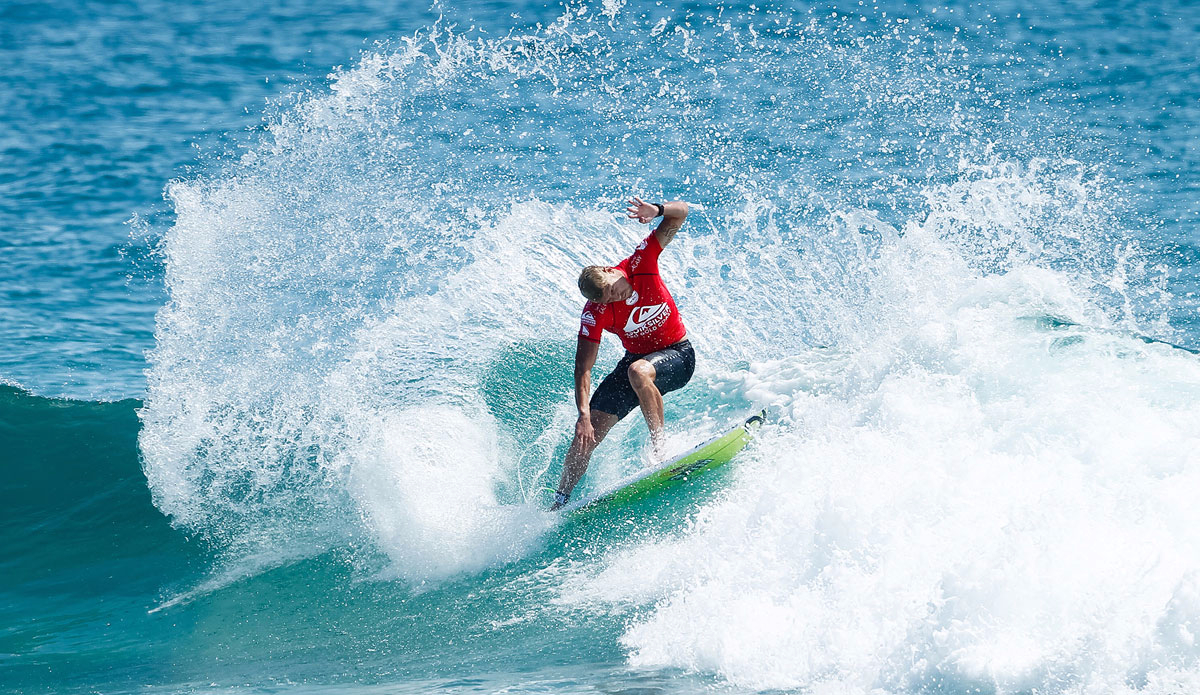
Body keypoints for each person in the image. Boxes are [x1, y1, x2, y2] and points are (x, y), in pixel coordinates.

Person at [550, 196, 693, 510]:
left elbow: (681, 214)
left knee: (638, 371)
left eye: (615, 290)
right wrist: (583, 417)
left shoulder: (641, 262)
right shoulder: (596, 311)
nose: (617, 298)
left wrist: (657, 210)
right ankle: (560, 501)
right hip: (636, 361)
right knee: (587, 434)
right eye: (608, 300)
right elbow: (583, 368)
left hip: (678, 354)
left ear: (609, 270)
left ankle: (661, 451)